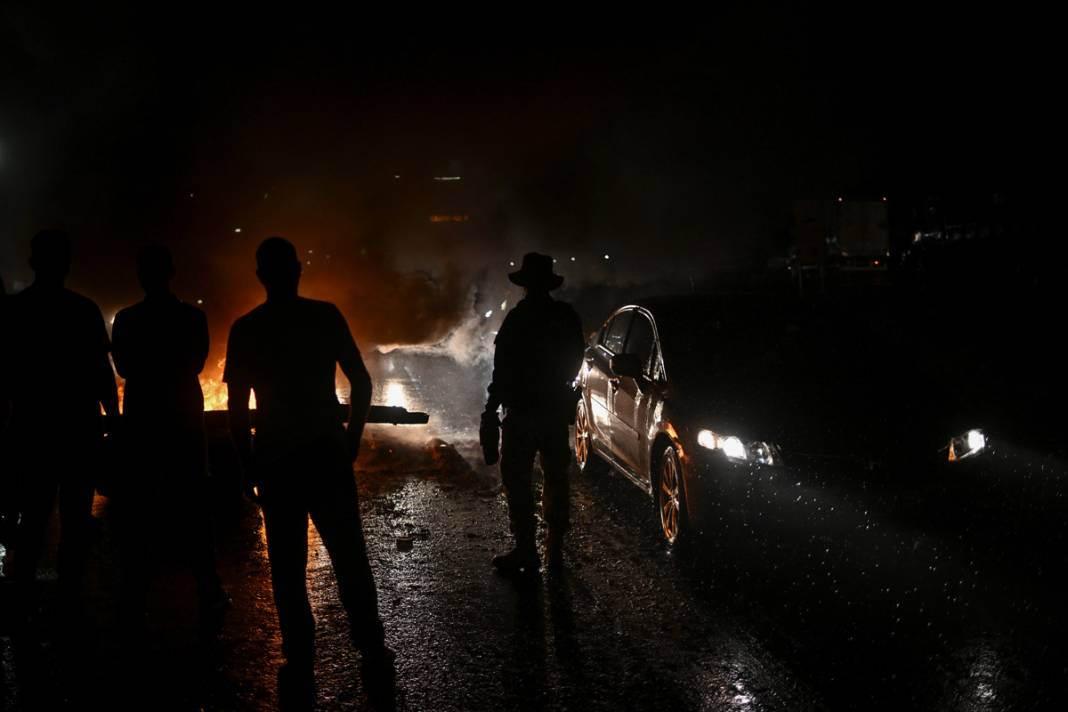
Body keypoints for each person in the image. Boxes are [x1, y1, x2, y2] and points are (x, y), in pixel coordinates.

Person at [223, 237, 393, 701]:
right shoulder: (325, 315)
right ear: (298, 270)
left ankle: (300, 659)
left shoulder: (247, 328)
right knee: (349, 558)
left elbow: (239, 408)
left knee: (288, 567)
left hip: (277, 459)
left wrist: (245, 464)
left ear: (261, 275)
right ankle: (372, 649)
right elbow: (360, 381)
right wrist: (351, 439)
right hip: (325, 453)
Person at [110, 244, 230, 634]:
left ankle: (133, 597)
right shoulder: (192, 317)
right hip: (182, 418)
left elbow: (125, 367)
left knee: (140, 508)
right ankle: (208, 588)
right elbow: (198, 364)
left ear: (142, 277)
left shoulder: (127, 320)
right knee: (195, 505)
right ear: (171, 273)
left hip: (144, 417)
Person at [4, 229, 119, 621]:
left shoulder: (17, 311)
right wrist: (114, 422)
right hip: (76, 431)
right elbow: (102, 374)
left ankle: (23, 599)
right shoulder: (83, 310)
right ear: (66, 264)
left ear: (33, 263)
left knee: (33, 516)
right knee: (74, 518)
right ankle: (70, 598)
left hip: (33, 431)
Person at [482, 252, 584, 575]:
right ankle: (554, 552)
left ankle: (527, 550)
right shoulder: (565, 317)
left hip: (524, 412)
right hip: (554, 411)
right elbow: (576, 358)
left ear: (525, 286)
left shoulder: (518, 319)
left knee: (517, 478)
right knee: (556, 476)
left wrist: (490, 409)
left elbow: (502, 372)